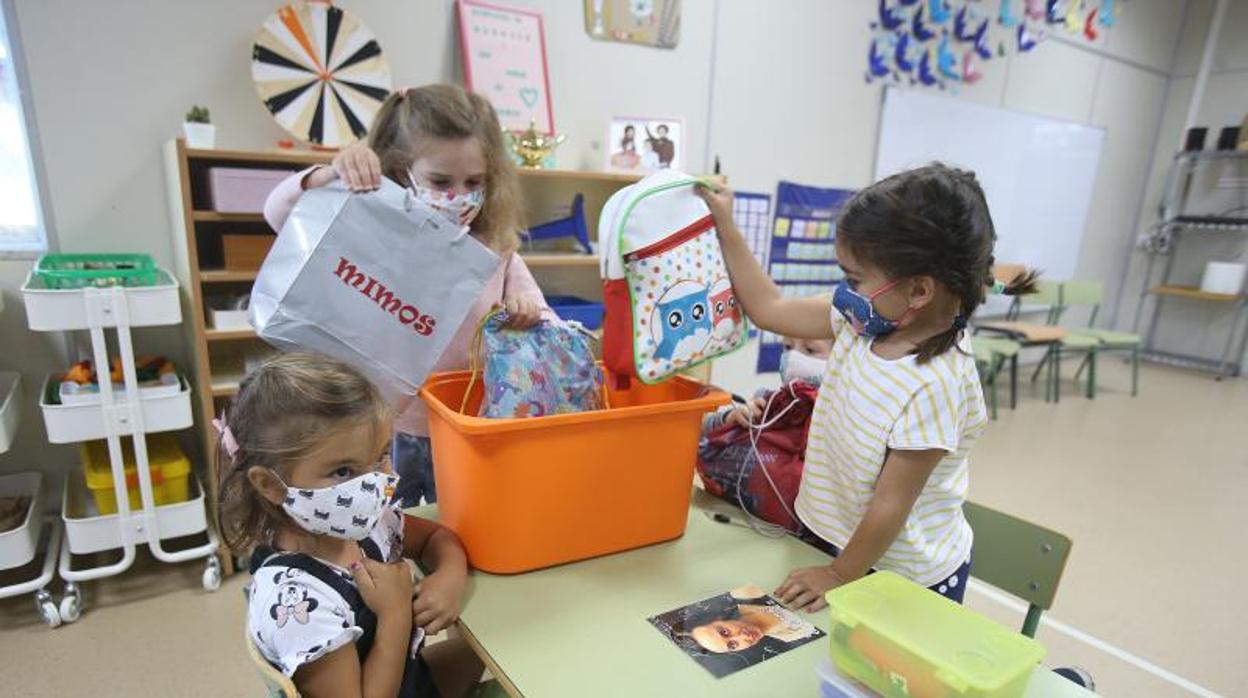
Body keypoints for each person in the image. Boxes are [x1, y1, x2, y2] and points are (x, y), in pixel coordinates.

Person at [696, 164, 1037, 609]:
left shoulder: (936, 383)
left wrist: (839, 573)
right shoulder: (859, 323)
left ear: (918, 291)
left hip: (904, 579)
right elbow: (769, 307)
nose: (844, 291)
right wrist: (726, 225)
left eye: (855, 279)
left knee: (876, 676)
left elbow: (890, 504)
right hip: (840, 547)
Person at [264, 84, 550, 507]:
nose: (459, 195)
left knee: (461, 521)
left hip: (466, 423)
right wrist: (329, 176)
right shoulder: (377, 225)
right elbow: (278, 214)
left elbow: (543, 315)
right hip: (382, 426)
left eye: (475, 181)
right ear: (401, 170)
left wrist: (528, 311)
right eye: (441, 180)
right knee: (387, 524)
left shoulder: (492, 248)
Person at [217, 353, 483, 697]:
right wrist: (395, 614)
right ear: (270, 484)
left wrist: (449, 576)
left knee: (506, 653)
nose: (374, 483)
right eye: (343, 471)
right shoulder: (300, 604)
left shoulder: (361, 522)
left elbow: (436, 536)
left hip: (413, 679)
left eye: (381, 456)